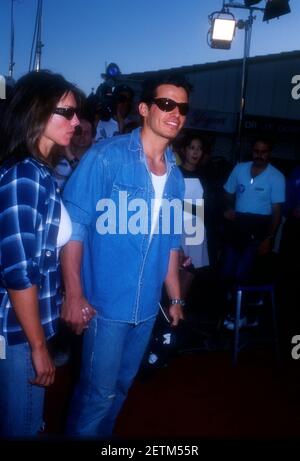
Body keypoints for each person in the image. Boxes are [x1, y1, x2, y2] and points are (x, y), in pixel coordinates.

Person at [61, 73, 191, 437]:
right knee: (96, 395)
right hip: (105, 305)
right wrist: (74, 294)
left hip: (147, 307)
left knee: (120, 389)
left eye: (182, 108)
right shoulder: (106, 157)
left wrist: (175, 296)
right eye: (166, 104)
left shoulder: (176, 176)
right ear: (145, 109)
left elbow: (169, 242)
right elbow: (74, 228)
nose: (175, 113)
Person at [0, 70, 82, 437]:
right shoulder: (25, 176)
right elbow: (18, 272)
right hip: (17, 333)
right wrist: (37, 347)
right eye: (66, 112)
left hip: (26, 327)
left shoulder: (41, 173)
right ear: (36, 112)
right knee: (26, 427)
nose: (76, 121)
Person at [221, 137, 285, 329]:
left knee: (243, 273)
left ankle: (241, 316)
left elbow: (276, 212)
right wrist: (228, 207)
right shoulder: (239, 169)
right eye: (256, 151)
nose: (259, 155)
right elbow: (227, 192)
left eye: (264, 151)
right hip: (237, 226)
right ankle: (232, 309)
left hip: (259, 228)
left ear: (270, 153)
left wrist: (269, 238)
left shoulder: (276, 177)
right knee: (226, 272)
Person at [178, 134, 209, 299]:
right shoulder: (175, 173)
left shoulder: (205, 175)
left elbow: (205, 205)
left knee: (191, 270)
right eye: (192, 148)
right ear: (184, 151)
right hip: (176, 227)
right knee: (174, 269)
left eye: (199, 148)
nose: (196, 152)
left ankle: (178, 309)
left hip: (196, 227)